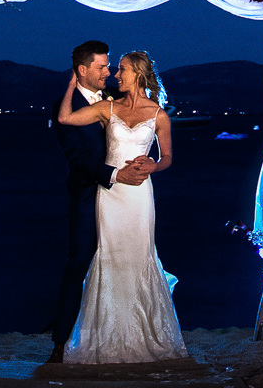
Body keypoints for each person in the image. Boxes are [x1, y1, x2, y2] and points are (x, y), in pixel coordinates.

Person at [53, 49, 187, 365]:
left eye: (121, 69)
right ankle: (105, 336)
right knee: (109, 258)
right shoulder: (106, 107)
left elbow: (167, 157)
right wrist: (72, 84)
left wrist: (154, 165)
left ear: (137, 74)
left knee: (140, 256)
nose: (115, 74)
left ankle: (144, 334)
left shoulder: (159, 115)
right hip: (109, 194)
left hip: (140, 196)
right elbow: (64, 118)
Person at [48, 41, 153, 363]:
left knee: (124, 263)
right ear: (83, 70)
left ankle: (122, 335)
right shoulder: (65, 106)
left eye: (110, 67)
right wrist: (114, 175)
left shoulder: (115, 100)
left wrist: (146, 163)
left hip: (125, 200)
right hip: (88, 197)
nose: (108, 72)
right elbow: (78, 160)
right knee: (79, 263)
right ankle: (61, 342)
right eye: (101, 68)